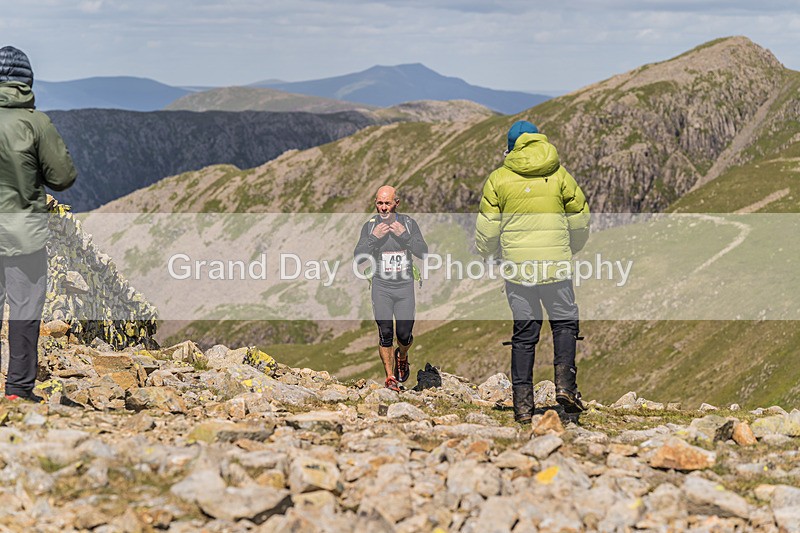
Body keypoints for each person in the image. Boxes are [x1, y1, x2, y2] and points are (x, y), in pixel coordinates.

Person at [475, 120, 590, 423]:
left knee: (525, 333)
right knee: (564, 323)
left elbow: (487, 229)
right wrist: (570, 247)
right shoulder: (559, 173)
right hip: (556, 266)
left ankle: (523, 406)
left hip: (518, 269)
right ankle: (565, 386)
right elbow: (579, 216)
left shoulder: (498, 179)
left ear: (511, 146)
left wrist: (488, 254)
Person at [1, 46, 77, 402]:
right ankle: (17, 390)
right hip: (23, 235)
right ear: (27, 81)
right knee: (25, 310)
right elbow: (62, 177)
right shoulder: (36, 123)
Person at [354, 185, 427, 391]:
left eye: (387, 203)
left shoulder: (409, 224)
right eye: (379, 203)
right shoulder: (370, 227)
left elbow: (423, 252)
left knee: (404, 334)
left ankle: (402, 355)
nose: (383, 208)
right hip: (381, 286)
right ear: (375, 204)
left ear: (397, 203)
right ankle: (390, 377)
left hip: (404, 287)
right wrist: (373, 238)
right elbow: (359, 257)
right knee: (385, 332)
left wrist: (405, 236)